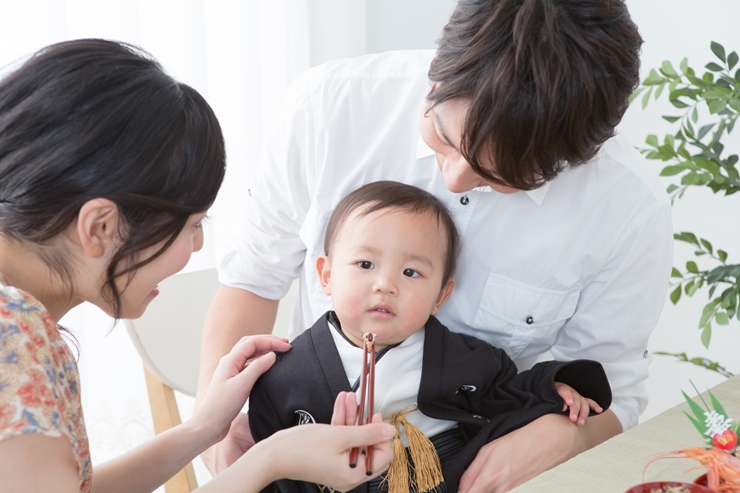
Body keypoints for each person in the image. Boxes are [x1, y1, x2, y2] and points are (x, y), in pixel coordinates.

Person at [199, 0, 673, 490]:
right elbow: (253, 281)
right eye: (442, 138)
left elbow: (615, 385)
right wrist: (213, 430)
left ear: (574, 159)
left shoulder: (628, 211)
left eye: (500, 177)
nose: (455, 179)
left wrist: (564, 438)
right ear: (439, 70)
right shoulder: (329, 107)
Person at [0, 38, 395, 493]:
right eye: (192, 224)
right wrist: (273, 458)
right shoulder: (15, 330)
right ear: (100, 227)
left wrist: (203, 428)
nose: (200, 242)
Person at [248, 181, 613, 493]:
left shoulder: (464, 358)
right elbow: (269, 462)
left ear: (441, 296)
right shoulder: (285, 375)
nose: (385, 285)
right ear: (325, 275)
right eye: (365, 264)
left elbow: (508, 396)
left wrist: (553, 391)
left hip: (447, 476)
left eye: (411, 272)